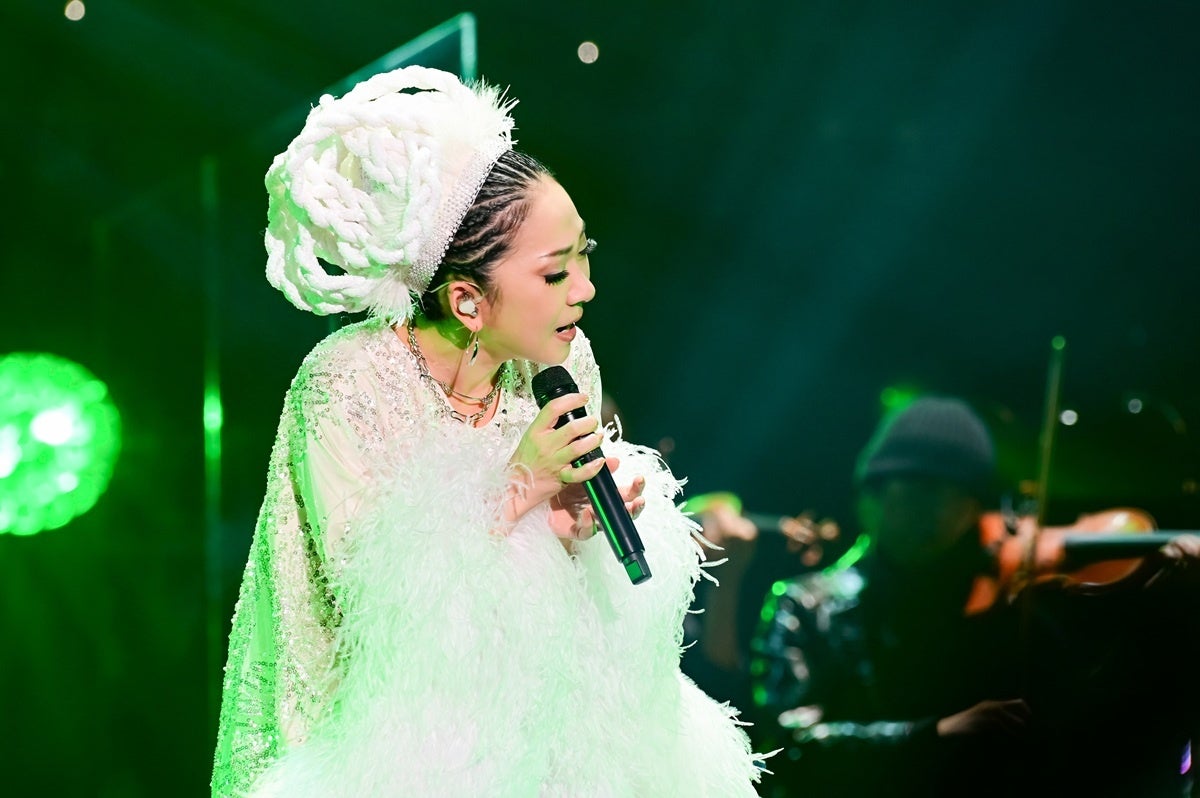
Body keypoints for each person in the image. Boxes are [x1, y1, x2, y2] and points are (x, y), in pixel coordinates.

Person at [210, 66, 765, 797]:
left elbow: (549, 589)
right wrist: (518, 486)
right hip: (382, 743)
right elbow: (380, 611)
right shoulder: (347, 383)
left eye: (585, 256)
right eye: (555, 274)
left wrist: (572, 529)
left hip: (534, 728)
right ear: (469, 301)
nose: (586, 290)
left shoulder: (564, 364)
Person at [750, 396, 1200, 797]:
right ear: (870, 497)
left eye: (959, 497)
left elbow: (1091, 711)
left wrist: (1170, 601)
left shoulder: (999, 606)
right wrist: (934, 734)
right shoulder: (804, 604)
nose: (939, 513)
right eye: (919, 492)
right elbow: (785, 747)